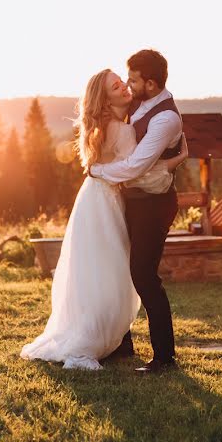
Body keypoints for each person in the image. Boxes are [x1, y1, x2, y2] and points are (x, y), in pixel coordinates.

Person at [20, 67, 188, 370]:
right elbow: (138, 168)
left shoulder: (116, 123)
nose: (125, 87)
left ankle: (120, 342)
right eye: (116, 87)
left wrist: (99, 171)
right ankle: (105, 341)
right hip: (106, 201)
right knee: (112, 270)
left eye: (124, 82)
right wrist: (176, 158)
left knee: (106, 269)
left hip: (95, 198)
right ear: (106, 100)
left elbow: (121, 167)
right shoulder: (120, 129)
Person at [89, 49, 183, 374]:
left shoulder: (165, 118)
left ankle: (165, 357)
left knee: (144, 275)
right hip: (134, 201)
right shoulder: (142, 103)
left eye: (134, 80)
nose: (128, 85)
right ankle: (121, 343)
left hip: (154, 205)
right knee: (119, 268)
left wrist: (97, 172)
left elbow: (136, 166)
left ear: (152, 84)